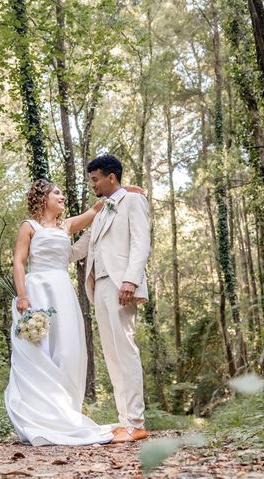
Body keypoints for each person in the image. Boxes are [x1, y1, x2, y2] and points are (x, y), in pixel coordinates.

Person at [4, 179, 116, 446]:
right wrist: (22, 295)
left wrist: (124, 190)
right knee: (38, 352)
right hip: (36, 291)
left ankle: (64, 415)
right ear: (43, 198)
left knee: (67, 351)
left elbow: (96, 210)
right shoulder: (28, 227)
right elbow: (19, 262)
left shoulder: (66, 226)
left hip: (62, 292)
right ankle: (38, 418)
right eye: (57, 193)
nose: (62, 197)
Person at [70, 154, 150, 443]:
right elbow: (81, 249)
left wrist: (131, 279)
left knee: (126, 351)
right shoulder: (102, 210)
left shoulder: (133, 201)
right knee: (112, 356)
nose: (92, 184)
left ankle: (137, 422)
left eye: (95, 179)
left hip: (121, 283)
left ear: (110, 178)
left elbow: (141, 242)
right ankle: (124, 420)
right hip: (99, 287)